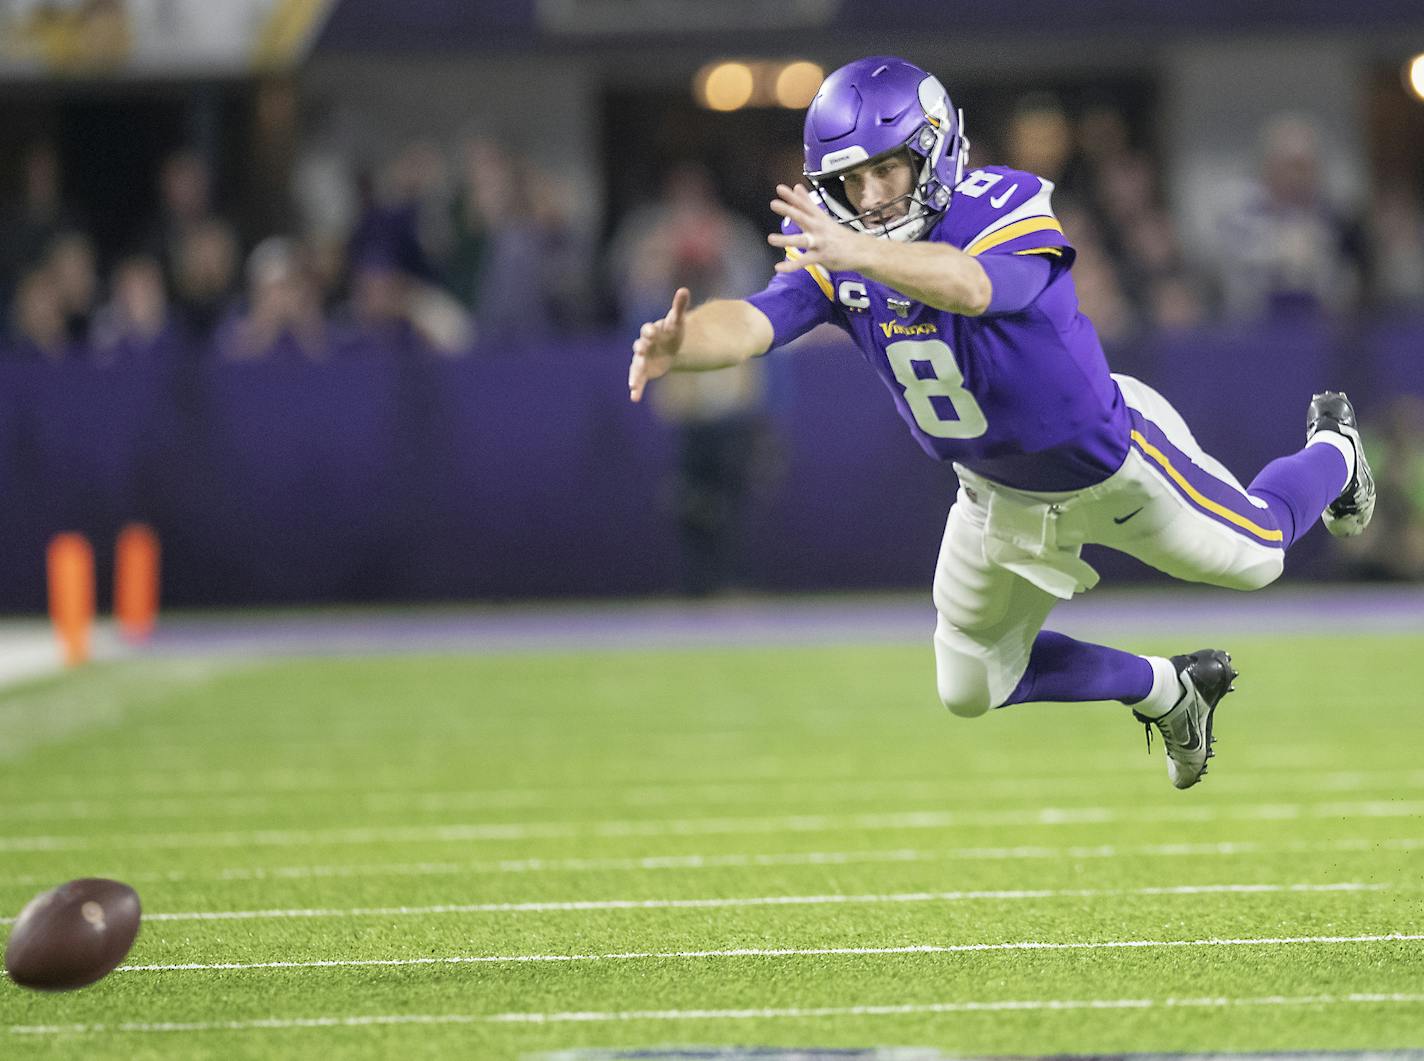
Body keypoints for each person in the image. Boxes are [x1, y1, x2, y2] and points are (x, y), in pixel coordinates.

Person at [626, 56, 1377, 790]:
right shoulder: (844, 249)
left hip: (1113, 461)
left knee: (1260, 552)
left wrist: (856, 251)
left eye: (886, 169)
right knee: (970, 682)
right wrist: (683, 344)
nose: (872, 195)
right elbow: (756, 320)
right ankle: (1170, 689)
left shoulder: (1002, 203)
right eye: (851, 181)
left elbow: (974, 285)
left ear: (937, 147)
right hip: (995, 494)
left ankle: (1336, 451)